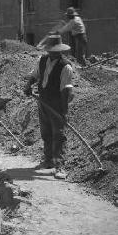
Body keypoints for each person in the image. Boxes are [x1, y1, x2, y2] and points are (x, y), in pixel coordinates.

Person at [23, 34, 75, 180]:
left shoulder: (65, 66)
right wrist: (28, 86)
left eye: (53, 50)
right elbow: (35, 75)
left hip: (57, 104)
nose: (51, 52)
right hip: (43, 101)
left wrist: (63, 112)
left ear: (59, 51)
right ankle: (48, 161)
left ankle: (60, 166)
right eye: (49, 50)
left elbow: (66, 90)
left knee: (58, 134)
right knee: (46, 132)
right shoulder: (42, 60)